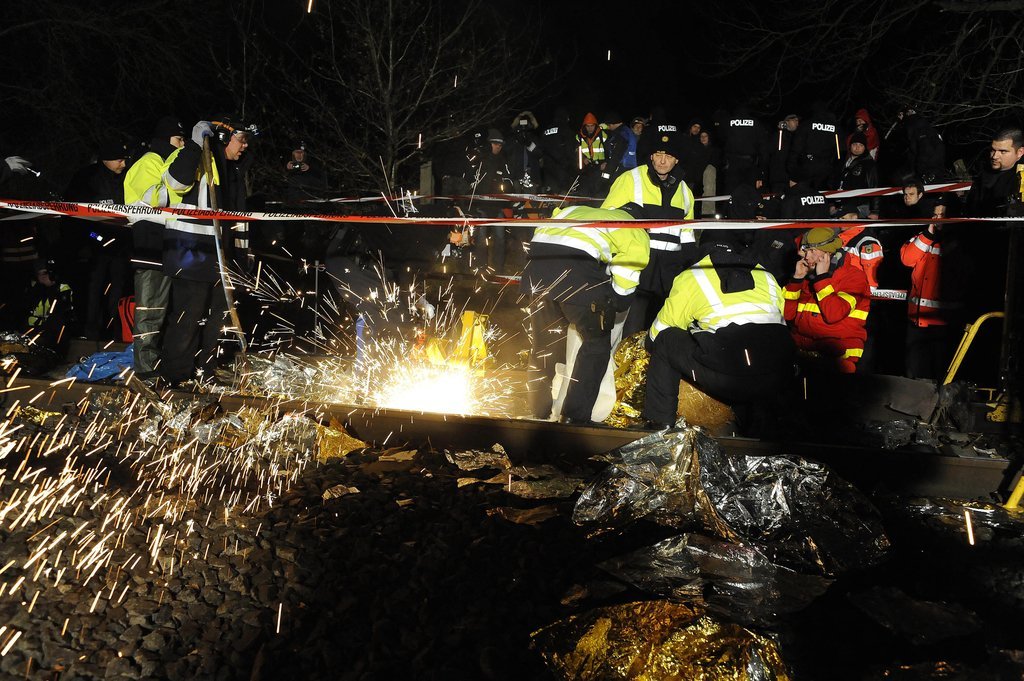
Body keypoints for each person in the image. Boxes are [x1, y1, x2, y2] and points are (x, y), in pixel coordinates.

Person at [642, 235, 794, 429]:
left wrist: (647, 346)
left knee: (666, 339)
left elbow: (661, 329)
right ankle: (762, 427)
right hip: (777, 376)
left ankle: (659, 423)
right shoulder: (766, 275)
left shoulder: (694, 275)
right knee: (760, 346)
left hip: (729, 379)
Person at [521, 204, 649, 424]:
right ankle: (574, 415)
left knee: (544, 344)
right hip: (574, 272)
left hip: (535, 271)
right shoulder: (634, 227)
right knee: (596, 344)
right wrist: (614, 303)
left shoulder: (579, 210)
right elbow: (627, 274)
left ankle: (539, 410)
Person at [158, 115, 258, 385]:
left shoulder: (234, 171)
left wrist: (241, 257)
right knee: (188, 318)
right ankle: (176, 377)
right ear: (224, 138)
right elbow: (176, 183)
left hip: (222, 259)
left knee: (217, 321)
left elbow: (236, 219)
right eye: (242, 139)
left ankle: (206, 371)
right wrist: (193, 145)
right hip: (192, 254)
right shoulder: (195, 157)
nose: (245, 146)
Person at [600, 125, 698, 336]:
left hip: (669, 275)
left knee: (661, 334)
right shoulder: (630, 179)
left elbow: (687, 234)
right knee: (627, 331)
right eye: (659, 154)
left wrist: (690, 268)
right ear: (651, 156)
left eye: (668, 156)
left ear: (676, 160)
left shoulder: (685, 191)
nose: (662, 161)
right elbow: (607, 220)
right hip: (636, 268)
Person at [123, 116, 186, 377]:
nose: (182, 145)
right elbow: (155, 198)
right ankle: (145, 369)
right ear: (165, 139)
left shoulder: (162, 161)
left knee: (167, 311)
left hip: (168, 245)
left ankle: (161, 364)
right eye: (178, 139)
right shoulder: (149, 161)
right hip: (150, 246)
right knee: (150, 311)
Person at [64, 137, 132, 340]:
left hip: (121, 247)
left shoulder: (127, 176)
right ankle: (89, 333)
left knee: (118, 291)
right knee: (92, 290)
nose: (123, 164)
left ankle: (116, 333)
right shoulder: (86, 178)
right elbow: (76, 218)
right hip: (93, 248)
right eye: (119, 160)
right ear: (106, 159)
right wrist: (96, 238)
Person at [784, 227, 870, 373]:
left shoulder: (854, 277)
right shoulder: (808, 276)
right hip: (803, 354)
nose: (806, 256)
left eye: (812, 251)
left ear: (828, 253)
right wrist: (797, 280)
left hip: (838, 359)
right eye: (805, 251)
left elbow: (834, 314)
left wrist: (822, 278)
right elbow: (787, 315)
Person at [900, 201, 967, 379]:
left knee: (941, 375)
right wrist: (928, 233)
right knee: (915, 373)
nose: (938, 219)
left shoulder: (959, 242)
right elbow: (907, 259)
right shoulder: (923, 238)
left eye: (942, 215)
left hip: (944, 323)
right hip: (917, 321)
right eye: (935, 215)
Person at [788, 102, 840, 190]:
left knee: (805, 194)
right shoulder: (835, 127)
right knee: (823, 195)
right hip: (827, 169)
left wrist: (792, 170)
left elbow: (796, 148)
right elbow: (839, 151)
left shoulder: (806, 125)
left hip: (807, 166)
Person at [721, 105, 770, 193]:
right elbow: (763, 147)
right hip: (750, 165)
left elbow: (722, 140)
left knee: (732, 194)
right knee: (750, 194)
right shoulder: (755, 122)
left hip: (732, 165)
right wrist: (762, 172)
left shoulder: (729, 122)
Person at [834, 132, 880, 219]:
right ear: (850, 146)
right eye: (855, 144)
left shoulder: (869, 164)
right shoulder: (843, 161)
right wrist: (832, 203)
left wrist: (875, 211)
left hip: (860, 206)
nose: (857, 148)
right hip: (842, 204)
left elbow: (874, 186)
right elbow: (834, 181)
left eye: (860, 145)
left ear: (865, 147)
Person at [901, 108, 945, 183]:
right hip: (925, 171)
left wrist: (928, 173)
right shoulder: (919, 129)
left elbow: (929, 151)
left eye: (902, 114)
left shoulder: (920, 129)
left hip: (929, 172)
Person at [576, 112, 609, 196]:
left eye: (592, 126)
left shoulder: (602, 135)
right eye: (588, 126)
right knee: (585, 190)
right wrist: (583, 159)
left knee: (599, 190)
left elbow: (609, 150)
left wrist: (606, 162)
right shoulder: (579, 136)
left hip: (600, 166)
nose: (590, 128)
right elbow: (577, 151)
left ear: (595, 125)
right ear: (584, 126)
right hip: (587, 168)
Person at [769, 114, 799, 194]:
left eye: (798, 121)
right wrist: (781, 130)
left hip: (791, 177)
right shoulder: (779, 134)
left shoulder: (796, 136)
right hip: (779, 178)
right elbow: (778, 153)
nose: (797, 123)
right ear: (787, 122)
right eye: (795, 120)